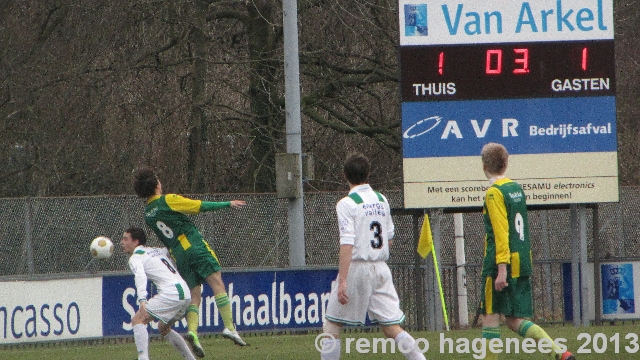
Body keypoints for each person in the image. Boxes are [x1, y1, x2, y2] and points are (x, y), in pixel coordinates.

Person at [320, 153, 425, 360]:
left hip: (358, 268)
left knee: (332, 325)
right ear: (368, 174)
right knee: (391, 327)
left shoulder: (347, 203)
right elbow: (390, 238)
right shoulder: (381, 199)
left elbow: (347, 242)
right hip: (381, 267)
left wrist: (342, 281)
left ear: (344, 176)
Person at [133, 169, 248, 358]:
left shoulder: (148, 214)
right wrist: (227, 203)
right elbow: (197, 206)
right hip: (193, 245)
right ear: (156, 186)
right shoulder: (166, 200)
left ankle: (193, 332)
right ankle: (230, 327)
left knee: (195, 293)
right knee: (216, 281)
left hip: (178, 254)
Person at [478, 143, 575, 360]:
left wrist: (501, 268)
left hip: (500, 263)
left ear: (484, 165)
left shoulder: (494, 193)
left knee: (490, 316)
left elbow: (501, 233)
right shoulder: (515, 189)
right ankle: (560, 353)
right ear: (506, 163)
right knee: (514, 320)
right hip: (521, 260)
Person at [120, 227, 197, 360]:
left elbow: (140, 276)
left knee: (138, 319)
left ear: (136, 242)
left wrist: (142, 298)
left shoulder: (136, 257)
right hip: (185, 292)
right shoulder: (156, 250)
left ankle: (143, 358)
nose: (122, 242)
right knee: (164, 328)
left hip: (171, 293)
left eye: (126, 239)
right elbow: (171, 250)